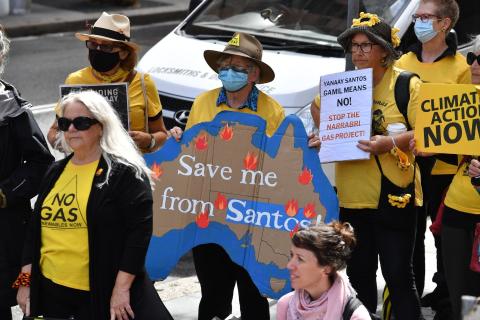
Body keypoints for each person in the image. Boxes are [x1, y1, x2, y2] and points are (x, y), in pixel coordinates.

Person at [169, 32, 320, 320]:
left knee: (254, 297)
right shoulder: (203, 103)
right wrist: (178, 138)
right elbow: (191, 154)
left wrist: (307, 148)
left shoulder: (271, 110)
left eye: (238, 68)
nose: (229, 72)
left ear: (253, 74)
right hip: (209, 218)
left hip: (254, 222)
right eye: (226, 65)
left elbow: (282, 163)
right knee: (213, 297)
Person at [16, 91, 173, 320]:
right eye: (64, 123)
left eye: (81, 123)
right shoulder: (55, 172)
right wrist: (24, 283)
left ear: (101, 126)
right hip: (51, 295)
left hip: (98, 294)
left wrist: (121, 289)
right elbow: (33, 234)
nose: (71, 129)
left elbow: (138, 237)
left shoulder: (125, 174)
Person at [312, 12, 424, 319]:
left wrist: (389, 143)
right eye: (355, 45)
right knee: (359, 282)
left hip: (394, 195)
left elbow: (425, 130)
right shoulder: (340, 85)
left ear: (385, 51)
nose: (358, 52)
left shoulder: (405, 84)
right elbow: (319, 112)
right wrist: (325, 137)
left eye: (367, 45)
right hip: (352, 197)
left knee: (399, 278)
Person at [395, 1, 470, 314]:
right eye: (417, 17)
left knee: (442, 236)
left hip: (443, 166)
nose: (419, 22)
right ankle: (412, 291)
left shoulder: (461, 68)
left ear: (445, 23)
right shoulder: (403, 62)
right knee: (409, 233)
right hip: (404, 164)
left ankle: (444, 294)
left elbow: (466, 124)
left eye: (426, 17)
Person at [47, 12, 168, 153]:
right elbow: (54, 131)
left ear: (123, 53)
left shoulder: (142, 82)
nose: (97, 50)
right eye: (93, 44)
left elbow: (162, 134)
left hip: (130, 168)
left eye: (106, 47)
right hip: (88, 167)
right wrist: (64, 142)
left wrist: (149, 140)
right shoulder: (75, 81)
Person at [0, 26, 54, 320]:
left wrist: (6, 193)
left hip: (7, 230)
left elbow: (40, 163)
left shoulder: (12, 108)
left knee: (13, 296)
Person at [433, 35, 480, 320]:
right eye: (472, 58)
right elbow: (449, 151)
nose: (474, 65)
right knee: (458, 295)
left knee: (475, 300)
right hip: (455, 209)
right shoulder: (464, 99)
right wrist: (426, 148)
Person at [276, 222, 371, 320]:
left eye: (300, 259)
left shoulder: (356, 316)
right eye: (292, 255)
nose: (289, 265)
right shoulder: (285, 305)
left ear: (327, 268)